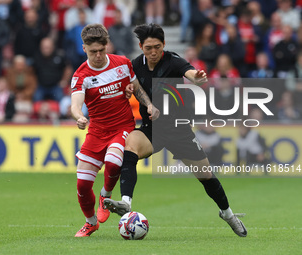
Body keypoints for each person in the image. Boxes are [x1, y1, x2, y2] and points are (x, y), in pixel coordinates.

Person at [104, 23, 248, 238]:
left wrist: (195, 77)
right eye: (149, 47)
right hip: (152, 128)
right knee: (130, 143)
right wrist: (127, 89)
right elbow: (130, 86)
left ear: (164, 44)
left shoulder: (173, 60)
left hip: (179, 129)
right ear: (141, 46)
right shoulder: (135, 66)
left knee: (206, 176)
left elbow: (188, 72)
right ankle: (126, 203)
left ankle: (227, 214)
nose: (153, 52)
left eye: (158, 47)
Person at [71, 24, 158, 237]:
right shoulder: (81, 75)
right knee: (82, 185)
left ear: (106, 45)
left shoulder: (122, 64)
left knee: (113, 161)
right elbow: (75, 103)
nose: (99, 55)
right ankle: (90, 222)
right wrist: (80, 117)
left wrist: (148, 104)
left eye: (102, 49)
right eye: (93, 52)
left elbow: (136, 88)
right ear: (84, 49)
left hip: (122, 128)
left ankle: (105, 195)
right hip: (97, 131)